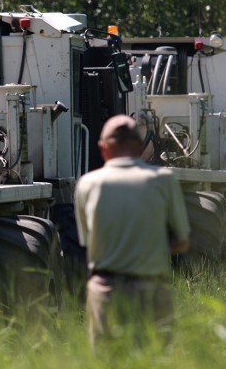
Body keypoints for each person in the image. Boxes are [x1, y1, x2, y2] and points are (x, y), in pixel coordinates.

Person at [74, 114, 190, 350]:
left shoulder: (86, 184)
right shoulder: (164, 180)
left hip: (105, 291)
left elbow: (88, 242)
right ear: (140, 147)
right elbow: (182, 241)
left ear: (103, 148)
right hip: (152, 290)